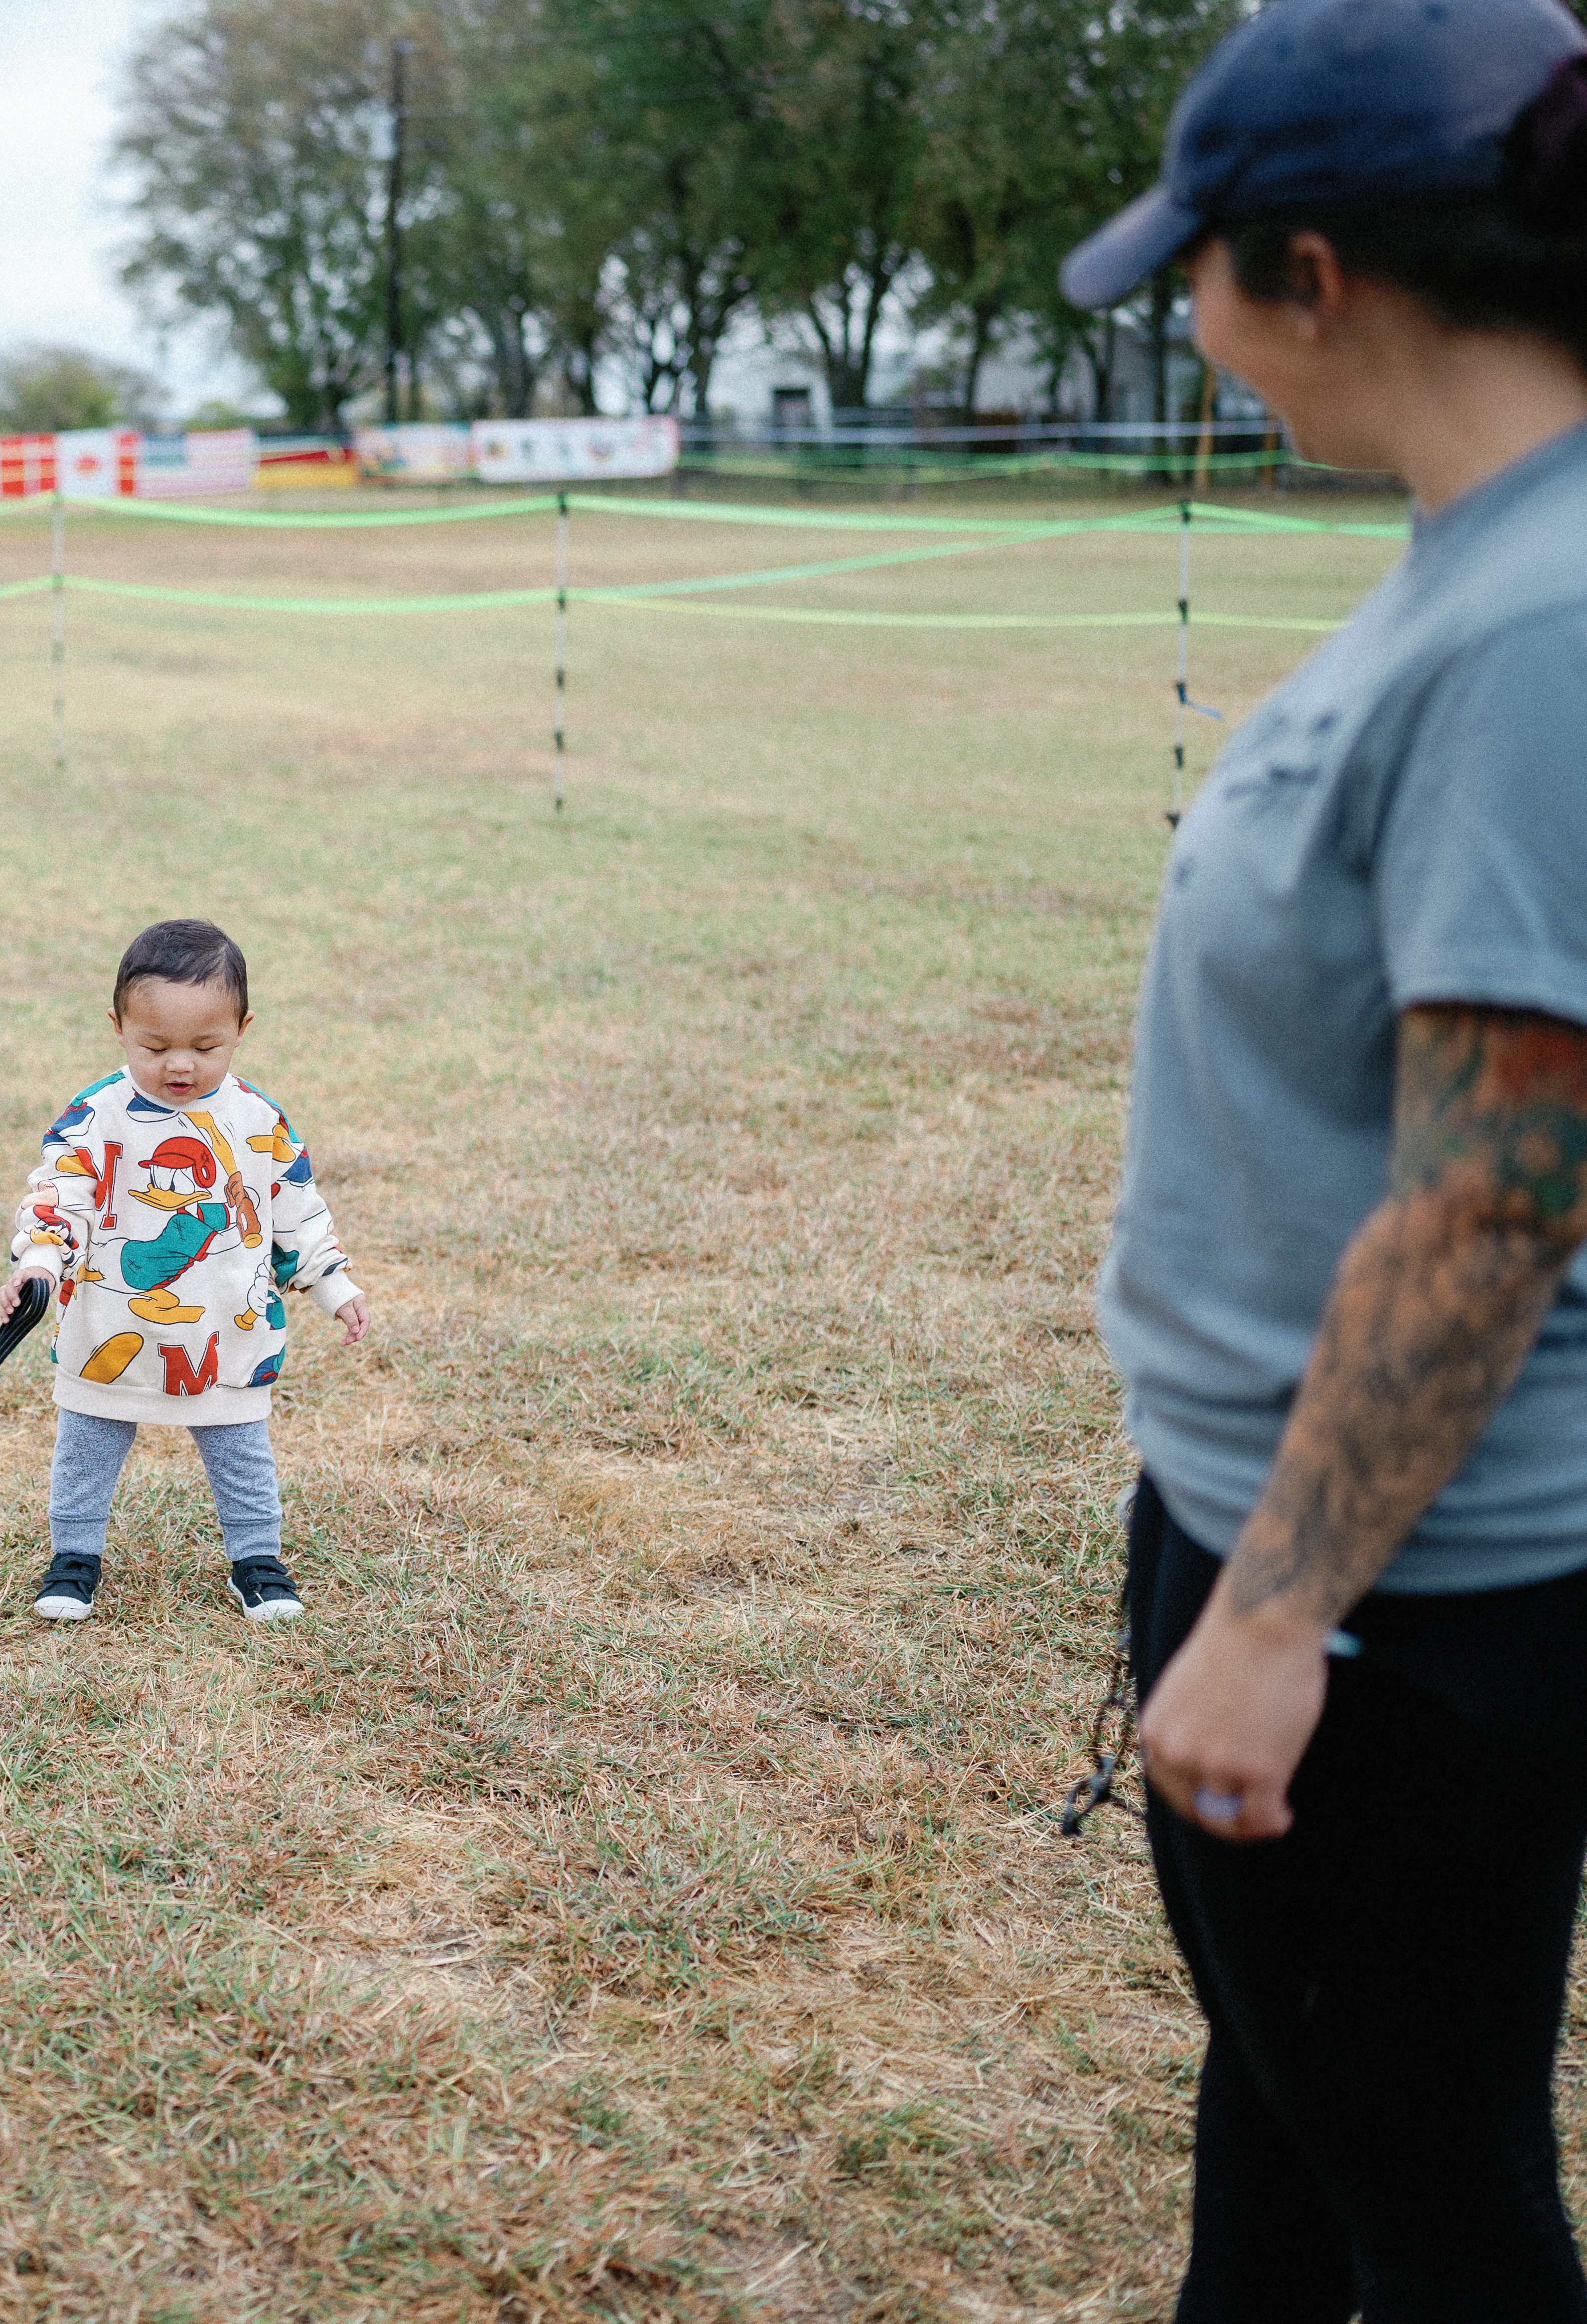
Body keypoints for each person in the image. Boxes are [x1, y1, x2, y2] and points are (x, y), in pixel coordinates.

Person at [1065, 0, 1587, 2307]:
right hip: (1315, 1530)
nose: (1188, 326)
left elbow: (1502, 1182)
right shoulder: (1493, 560)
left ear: (1312, 270)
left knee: (1432, 2190)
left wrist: (1276, 1611)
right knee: (1291, 2100)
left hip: (1397, 1595)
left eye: (1195, 272)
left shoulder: (1541, 623)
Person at [4, 920, 367, 1623]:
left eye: (206, 1048)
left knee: (241, 1452)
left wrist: (333, 1283)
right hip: (109, 1326)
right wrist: (42, 1258)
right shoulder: (98, 1116)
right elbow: (62, 1191)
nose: (180, 1066)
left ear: (241, 1029)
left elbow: (296, 1208)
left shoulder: (257, 1120)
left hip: (223, 1332)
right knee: (86, 1449)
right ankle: (74, 1558)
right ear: (118, 1028)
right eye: (155, 1046)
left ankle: (257, 1560)